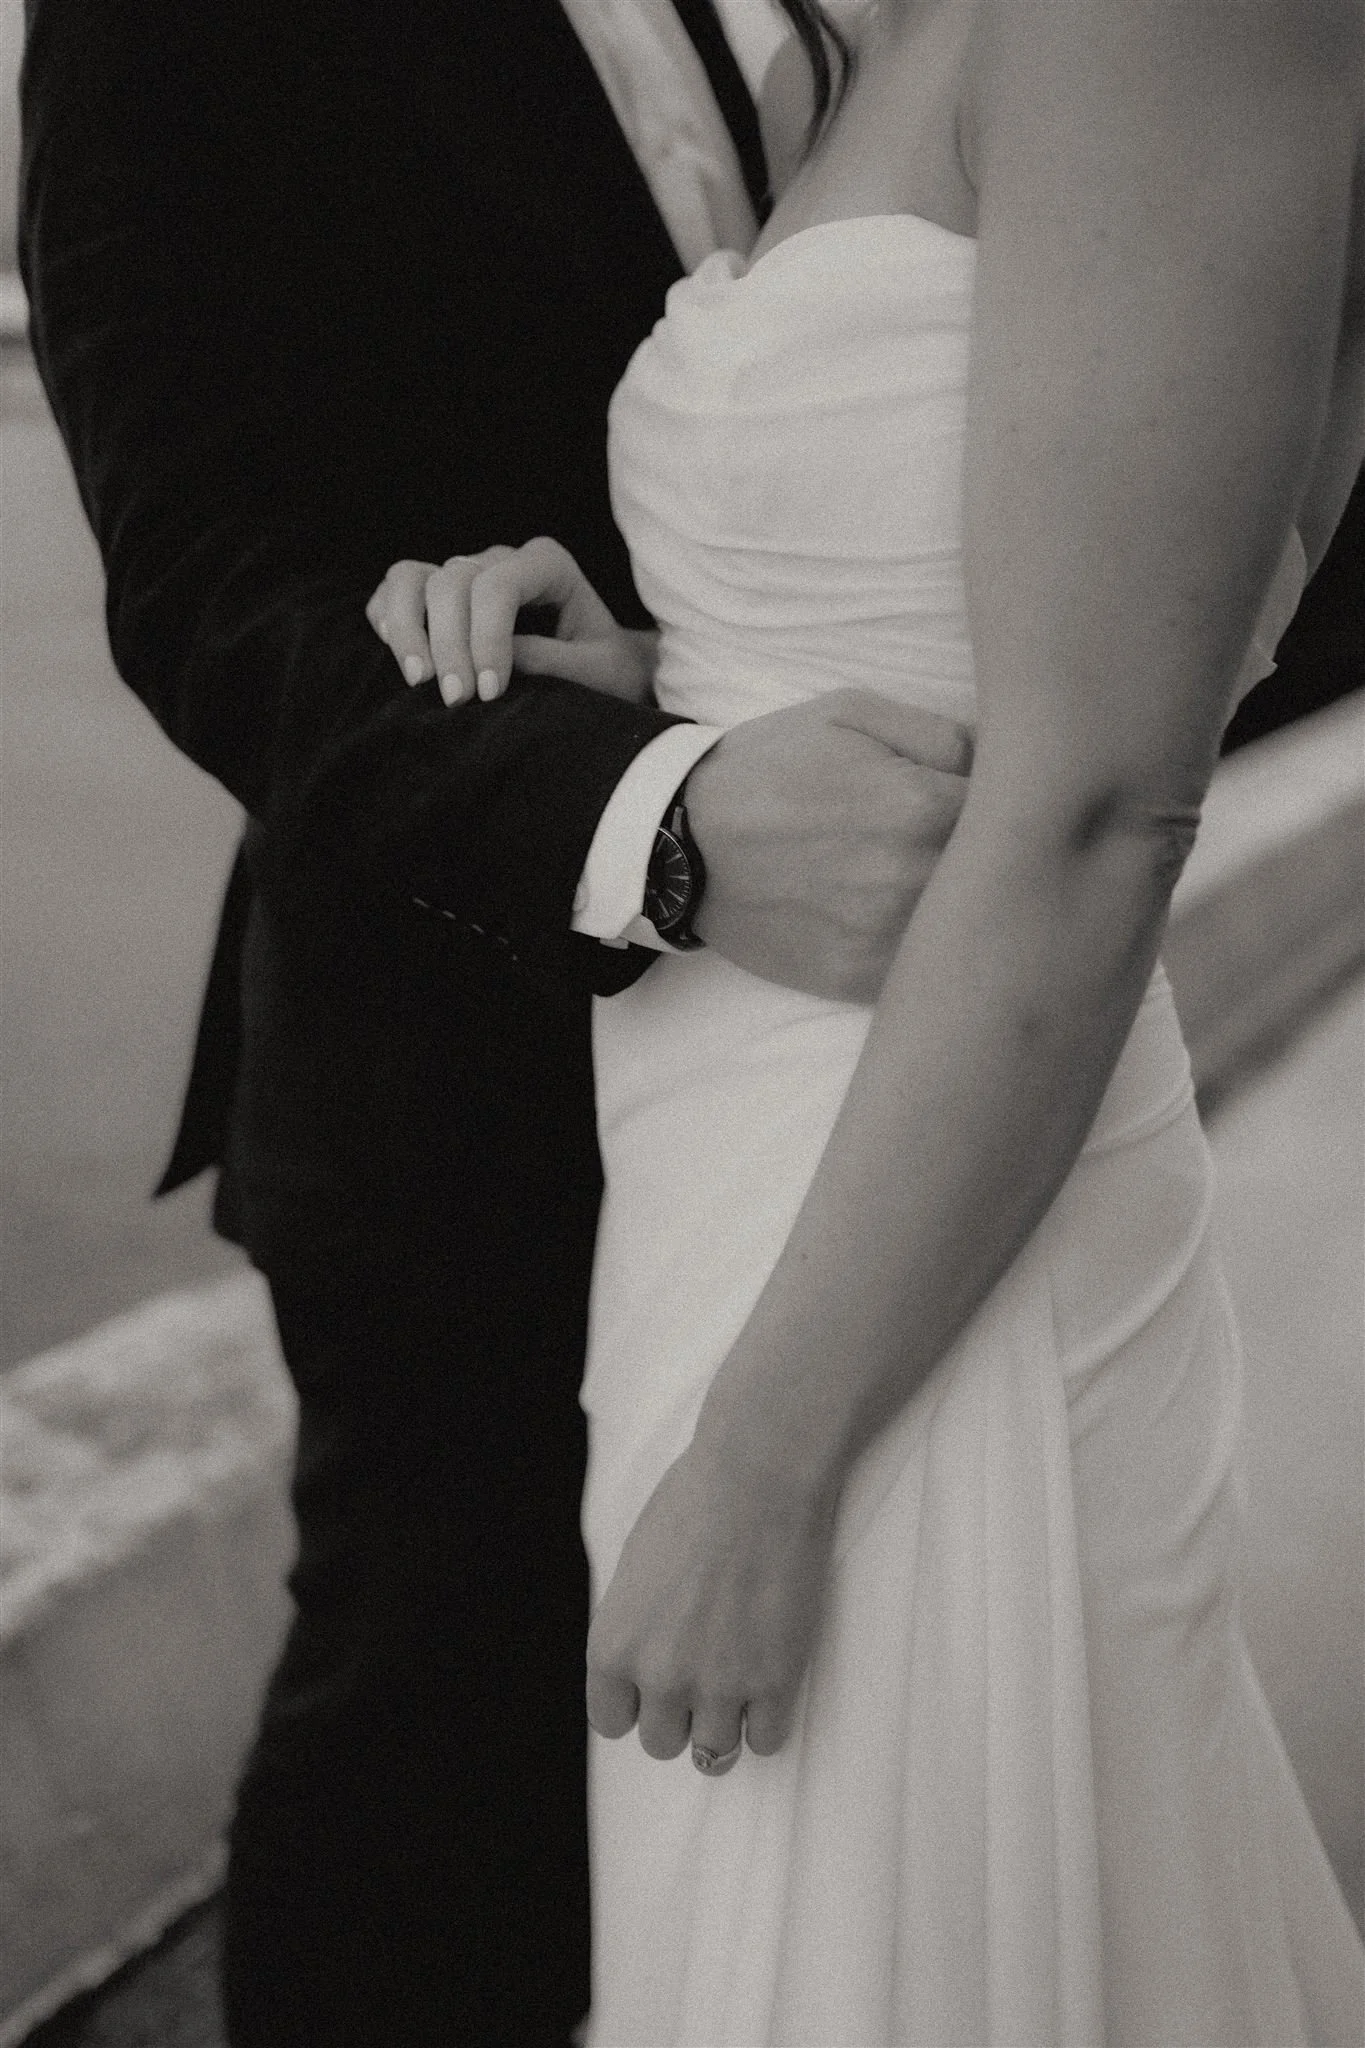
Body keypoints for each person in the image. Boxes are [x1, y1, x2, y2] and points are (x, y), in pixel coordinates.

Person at [370, 0, 1365, 2039]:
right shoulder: (912, 28)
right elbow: (970, 624)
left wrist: (766, 1459)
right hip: (727, 1179)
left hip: (912, 1267)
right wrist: (653, 685)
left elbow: (1101, 801)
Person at [17, 2, 975, 2043]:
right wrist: (663, 815)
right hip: (455, 1043)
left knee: (841, 1728)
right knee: (446, 1758)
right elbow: (206, 581)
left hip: (894, 1054)